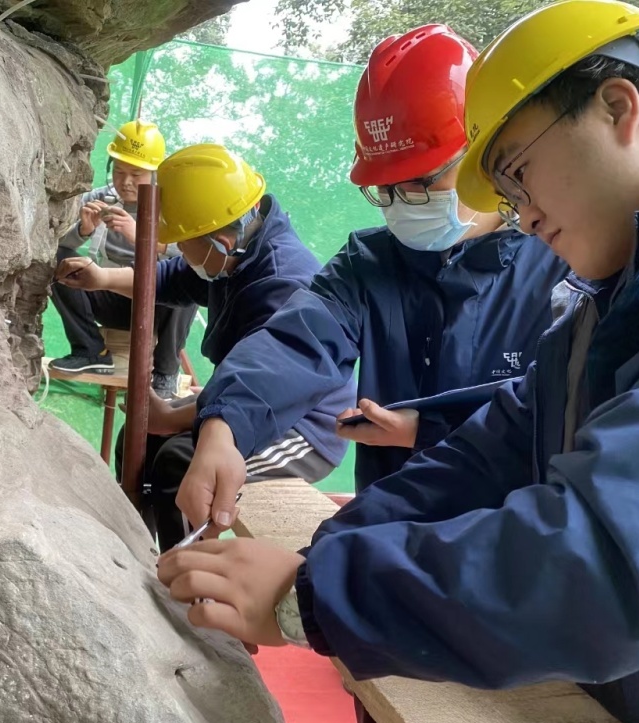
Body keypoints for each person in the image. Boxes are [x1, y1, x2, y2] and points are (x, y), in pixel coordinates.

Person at [158, 2, 639, 723]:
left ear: (618, 107)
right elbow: (490, 449)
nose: (524, 214)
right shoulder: (611, 296)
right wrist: (312, 554)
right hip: (517, 637)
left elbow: (634, 560)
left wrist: (315, 594)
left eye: (515, 173)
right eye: (506, 193)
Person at [175, 24, 567, 537]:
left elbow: (567, 416)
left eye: (421, 181)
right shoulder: (369, 263)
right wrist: (224, 424)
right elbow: (296, 341)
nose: (402, 203)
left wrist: (430, 427)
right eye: (385, 188)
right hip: (383, 526)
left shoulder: (562, 262)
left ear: (487, 151)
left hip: (506, 545)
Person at [57, 143, 356, 551]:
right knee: (139, 439)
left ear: (220, 241)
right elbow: (168, 278)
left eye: (183, 243)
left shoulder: (282, 283)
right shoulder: (233, 257)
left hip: (300, 424)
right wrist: (102, 279)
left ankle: (180, 577)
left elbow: (265, 387)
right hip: (242, 398)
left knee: (181, 463)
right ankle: (137, 552)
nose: (179, 251)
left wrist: (172, 417)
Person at [49, 119, 196, 398]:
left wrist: (143, 237)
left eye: (136, 174)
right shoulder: (101, 198)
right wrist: (83, 230)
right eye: (119, 171)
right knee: (58, 259)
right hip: (110, 294)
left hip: (158, 303)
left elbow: (195, 257)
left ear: (155, 173)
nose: (125, 182)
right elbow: (60, 245)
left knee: (187, 280)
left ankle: (165, 372)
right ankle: (89, 350)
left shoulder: (173, 209)